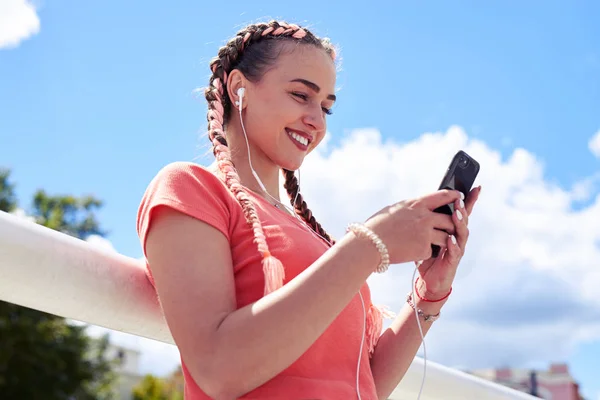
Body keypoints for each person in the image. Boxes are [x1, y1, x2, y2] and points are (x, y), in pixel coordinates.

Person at [136, 20, 481, 400]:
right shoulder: (191, 188)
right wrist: (370, 244)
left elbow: (364, 385)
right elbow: (218, 370)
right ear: (239, 89)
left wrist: (429, 292)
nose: (317, 121)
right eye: (301, 96)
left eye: (327, 108)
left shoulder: (312, 236)